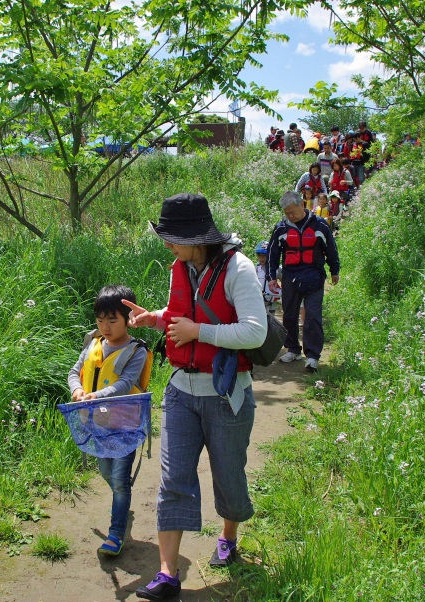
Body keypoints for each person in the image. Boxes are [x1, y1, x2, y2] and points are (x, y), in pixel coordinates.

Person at [124, 193, 267, 601]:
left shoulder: (237, 269)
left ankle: (228, 535)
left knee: (229, 476)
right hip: (181, 391)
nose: (166, 244)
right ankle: (168, 573)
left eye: (171, 237)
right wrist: (155, 319)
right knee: (174, 479)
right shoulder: (180, 268)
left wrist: (197, 332)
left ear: (195, 237)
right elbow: (179, 316)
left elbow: (255, 332)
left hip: (225, 395)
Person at [68, 285, 151, 557]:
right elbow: (74, 372)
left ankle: (116, 533)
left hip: (125, 425)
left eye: (112, 320)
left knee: (118, 478)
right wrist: (77, 390)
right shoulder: (92, 345)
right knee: (107, 474)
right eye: (100, 320)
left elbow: (126, 383)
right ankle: (122, 498)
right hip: (97, 425)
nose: (105, 326)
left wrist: (96, 395)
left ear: (129, 319)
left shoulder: (136, 351)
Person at [265, 191, 340, 371]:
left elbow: (331, 249)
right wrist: (271, 277)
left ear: (302, 206)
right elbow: (272, 254)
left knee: (313, 316)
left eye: (293, 211)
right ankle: (293, 349)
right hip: (290, 276)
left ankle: (312, 355)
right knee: (289, 315)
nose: (290, 215)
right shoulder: (281, 228)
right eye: (287, 213)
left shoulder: (320, 225)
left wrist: (334, 270)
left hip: (314, 275)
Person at [255, 241, 280, 314]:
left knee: (270, 320)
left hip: (271, 301)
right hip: (258, 301)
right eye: (259, 255)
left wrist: (278, 292)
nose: (261, 258)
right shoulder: (255, 269)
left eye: (264, 255)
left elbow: (286, 284)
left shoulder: (277, 269)